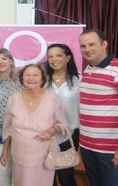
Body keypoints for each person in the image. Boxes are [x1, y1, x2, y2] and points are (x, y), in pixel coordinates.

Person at [78, 29, 118, 186]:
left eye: (92, 44)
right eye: (83, 46)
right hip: (88, 147)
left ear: (104, 44)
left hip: (113, 150)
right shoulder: (88, 70)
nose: (87, 49)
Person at [1, 63, 68, 186]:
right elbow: (8, 127)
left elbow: (63, 125)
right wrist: (4, 150)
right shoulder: (13, 99)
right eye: (27, 75)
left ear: (42, 79)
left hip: (43, 157)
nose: (31, 78)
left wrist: (51, 131)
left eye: (35, 75)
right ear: (22, 78)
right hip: (19, 155)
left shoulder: (53, 98)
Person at [45, 43, 81, 186]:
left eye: (58, 55)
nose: (54, 59)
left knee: (66, 176)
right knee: (47, 175)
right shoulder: (42, 80)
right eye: (50, 56)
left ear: (68, 57)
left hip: (70, 133)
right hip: (45, 134)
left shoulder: (80, 80)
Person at [0, 48, 23, 186]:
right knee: (2, 168)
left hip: (19, 131)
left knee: (18, 170)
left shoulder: (22, 81)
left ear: (11, 61)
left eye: (4, 58)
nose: (0, 62)